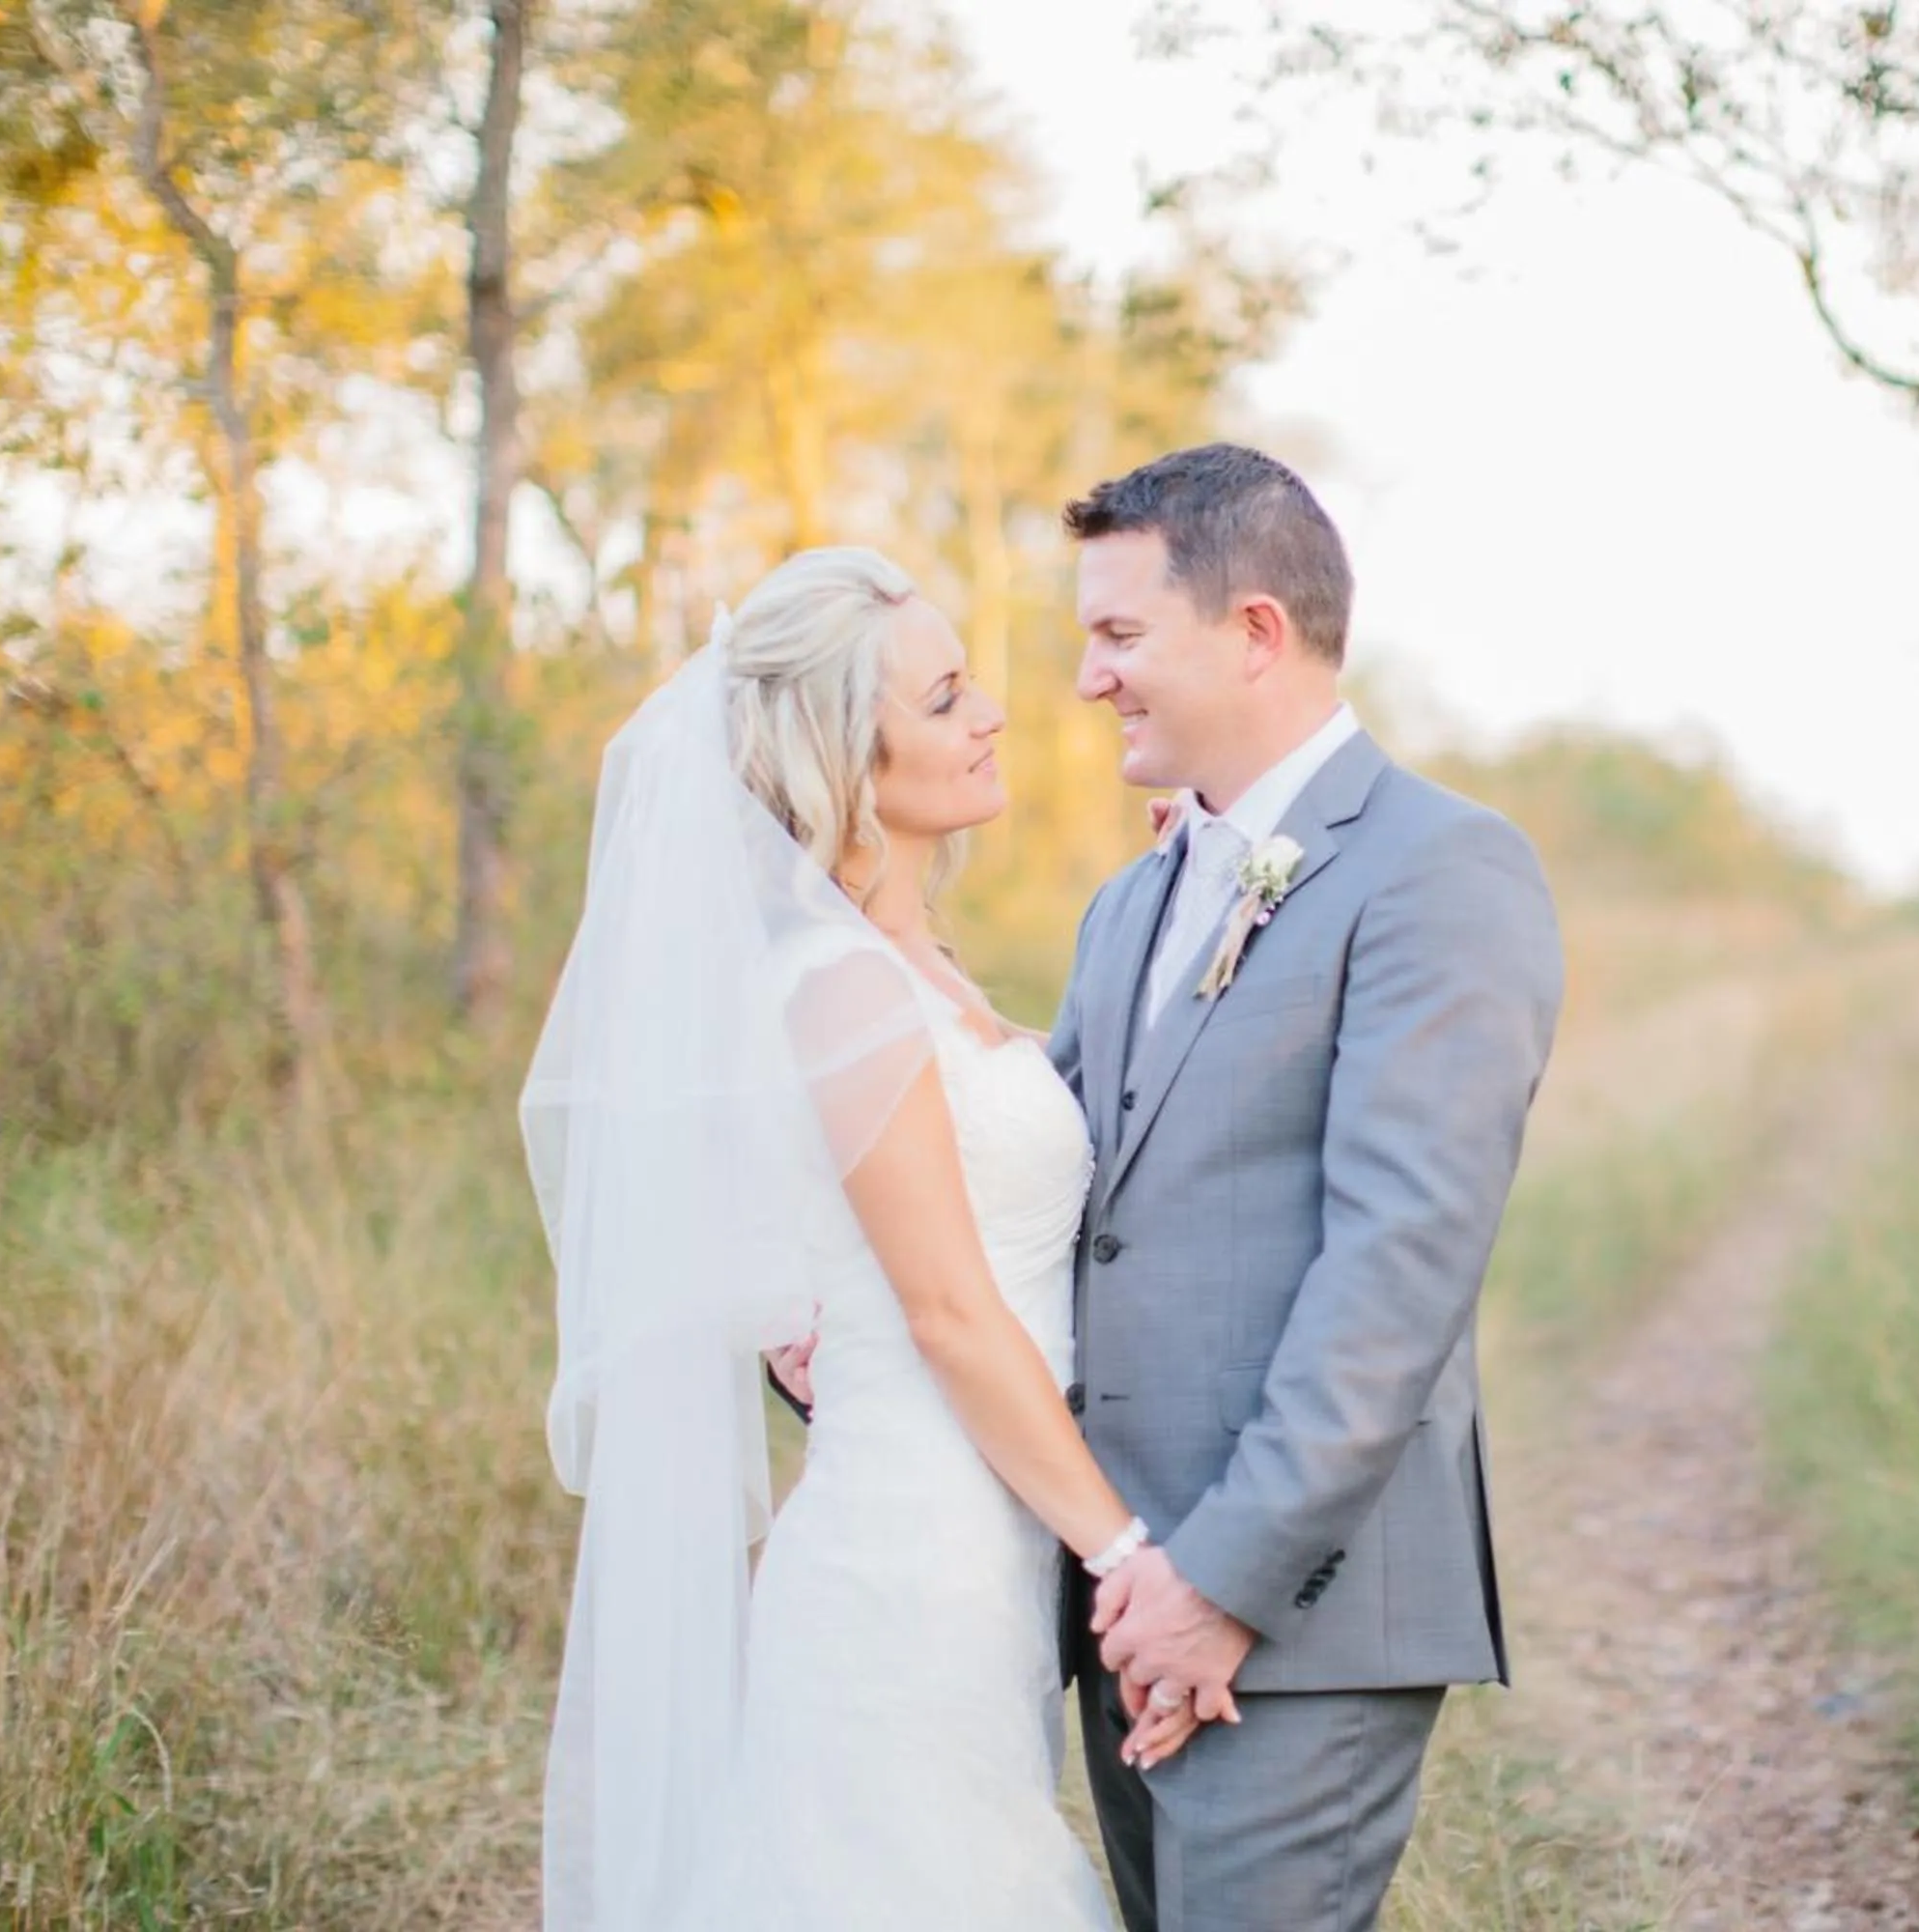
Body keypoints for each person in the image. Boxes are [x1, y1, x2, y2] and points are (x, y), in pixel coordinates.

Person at [526, 547, 1184, 1932]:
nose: (993, 712)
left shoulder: (912, 971)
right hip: (908, 1565)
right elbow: (948, 1312)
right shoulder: (843, 992)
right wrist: (1130, 1556)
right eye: (945, 700)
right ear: (845, 754)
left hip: (981, 1554)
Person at [1045, 443, 1566, 1930]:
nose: (1091, 679)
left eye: (1121, 635)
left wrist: (1223, 1579)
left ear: (1256, 631)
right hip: (1124, 1592)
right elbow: (1072, 1191)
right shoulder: (1133, 894)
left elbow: (1397, 1270)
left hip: (1298, 1607)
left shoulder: (1440, 869)